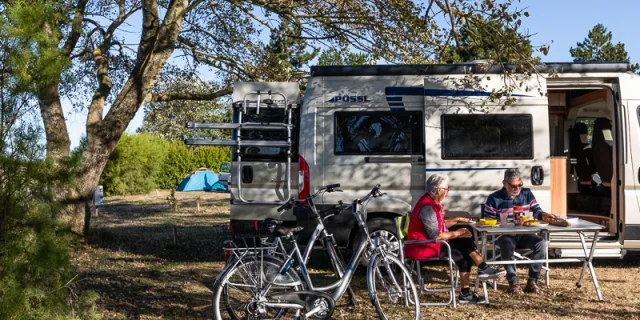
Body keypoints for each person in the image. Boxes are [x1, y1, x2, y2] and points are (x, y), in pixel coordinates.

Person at [404, 173, 506, 304]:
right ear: (437, 190)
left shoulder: (431, 202)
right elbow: (436, 234)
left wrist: (457, 220)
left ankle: (480, 270)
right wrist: (457, 233)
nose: (447, 192)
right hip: (423, 246)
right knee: (462, 251)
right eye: (447, 189)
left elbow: (439, 224)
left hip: (430, 243)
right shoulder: (427, 207)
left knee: (463, 237)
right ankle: (470, 286)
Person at [484, 168, 558, 295]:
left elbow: (536, 210)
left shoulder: (526, 193)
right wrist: (503, 229)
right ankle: (513, 282)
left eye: (520, 185)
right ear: (504, 183)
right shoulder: (494, 198)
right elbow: (488, 223)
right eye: (513, 186)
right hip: (503, 235)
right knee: (506, 244)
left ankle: (532, 281)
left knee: (541, 243)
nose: (517, 188)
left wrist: (545, 215)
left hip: (524, 234)